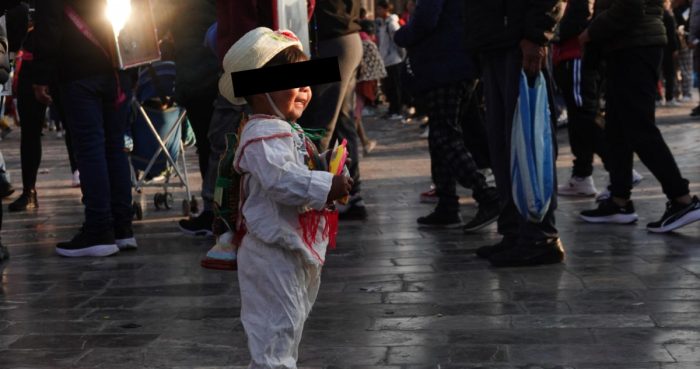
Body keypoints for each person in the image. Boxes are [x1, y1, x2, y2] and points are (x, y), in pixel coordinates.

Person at [220, 27, 352, 368]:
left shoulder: (285, 130)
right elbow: (282, 181)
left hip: (290, 248)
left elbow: (297, 174)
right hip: (269, 253)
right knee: (275, 333)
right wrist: (325, 184)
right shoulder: (262, 134)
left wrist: (328, 174)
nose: (306, 90)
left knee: (285, 330)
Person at [579, 0, 700, 232]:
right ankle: (619, 200)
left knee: (639, 128)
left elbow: (630, 6)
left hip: (634, 46)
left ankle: (682, 199)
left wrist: (591, 32)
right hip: (626, 45)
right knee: (617, 129)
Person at [465, 0, 565, 267]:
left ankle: (539, 235)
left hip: (519, 41)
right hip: (495, 41)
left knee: (530, 139)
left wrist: (537, 35)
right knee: (503, 146)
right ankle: (515, 230)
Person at [33, 1, 137, 256]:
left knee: (90, 150)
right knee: (115, 147)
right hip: (116, 68)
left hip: (78, 71)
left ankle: (99, 230)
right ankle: (122, 228)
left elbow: (49, 24)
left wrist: (41, 76)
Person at [395, 0, 500, 232]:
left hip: (443, 66)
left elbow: (426, 19)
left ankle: (485, 194)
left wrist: (401, 35)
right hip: (458, 64)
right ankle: (447, 204)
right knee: (440, 137)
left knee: (445, 136)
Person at [300, 0, 367, 220]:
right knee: (342, 123)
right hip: (349, 40)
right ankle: (352, 195)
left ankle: (313, 199)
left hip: (332, 43)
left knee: (319, 125)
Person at [375, 0, 405, 120]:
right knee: (389, 87)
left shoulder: (392, 23)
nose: (377, 11)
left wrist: (401, 57)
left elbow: (398, 41)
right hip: (386, 60)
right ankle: (392, 109)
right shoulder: (382, 23)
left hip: (394, 59)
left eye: (379, 9)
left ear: (386, 9)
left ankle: (397, 110)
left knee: (395, 87)